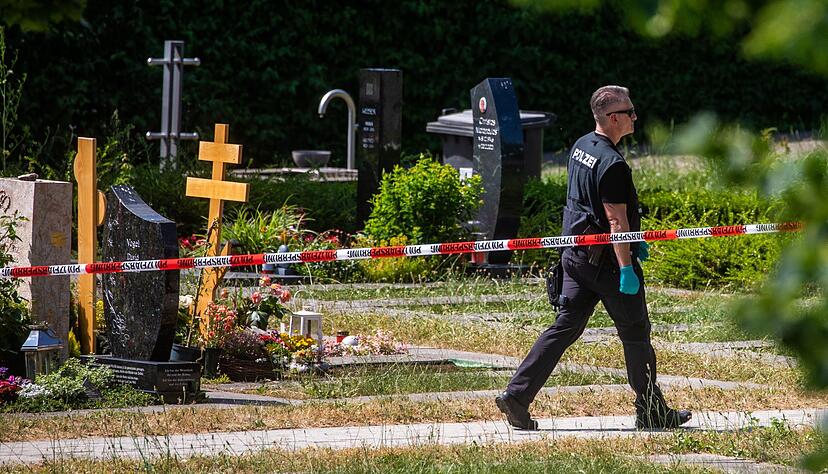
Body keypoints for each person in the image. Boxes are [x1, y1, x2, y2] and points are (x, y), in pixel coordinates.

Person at [496, 85, 691, 430]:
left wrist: (635, 240)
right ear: (613, 118)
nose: (635, 116)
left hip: (576, 257)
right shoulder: (612, 164)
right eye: (630, 112)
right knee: (636, 333)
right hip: (607, 265)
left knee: (565, 327)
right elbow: (616, 221)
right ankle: (651, 410)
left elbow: (583, 203)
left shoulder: (582, 146)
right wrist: (627, 265)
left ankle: (517, 395)